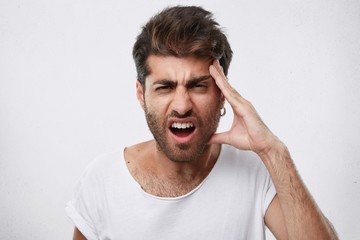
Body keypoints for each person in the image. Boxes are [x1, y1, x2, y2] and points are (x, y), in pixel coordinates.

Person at [66, 6, 338, 240]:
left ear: (222, 94)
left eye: (198, 86)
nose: (182, 105)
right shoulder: (102, 180)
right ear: (142, 94)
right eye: (165, 87)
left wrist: (273, 150)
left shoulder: (255, 172)